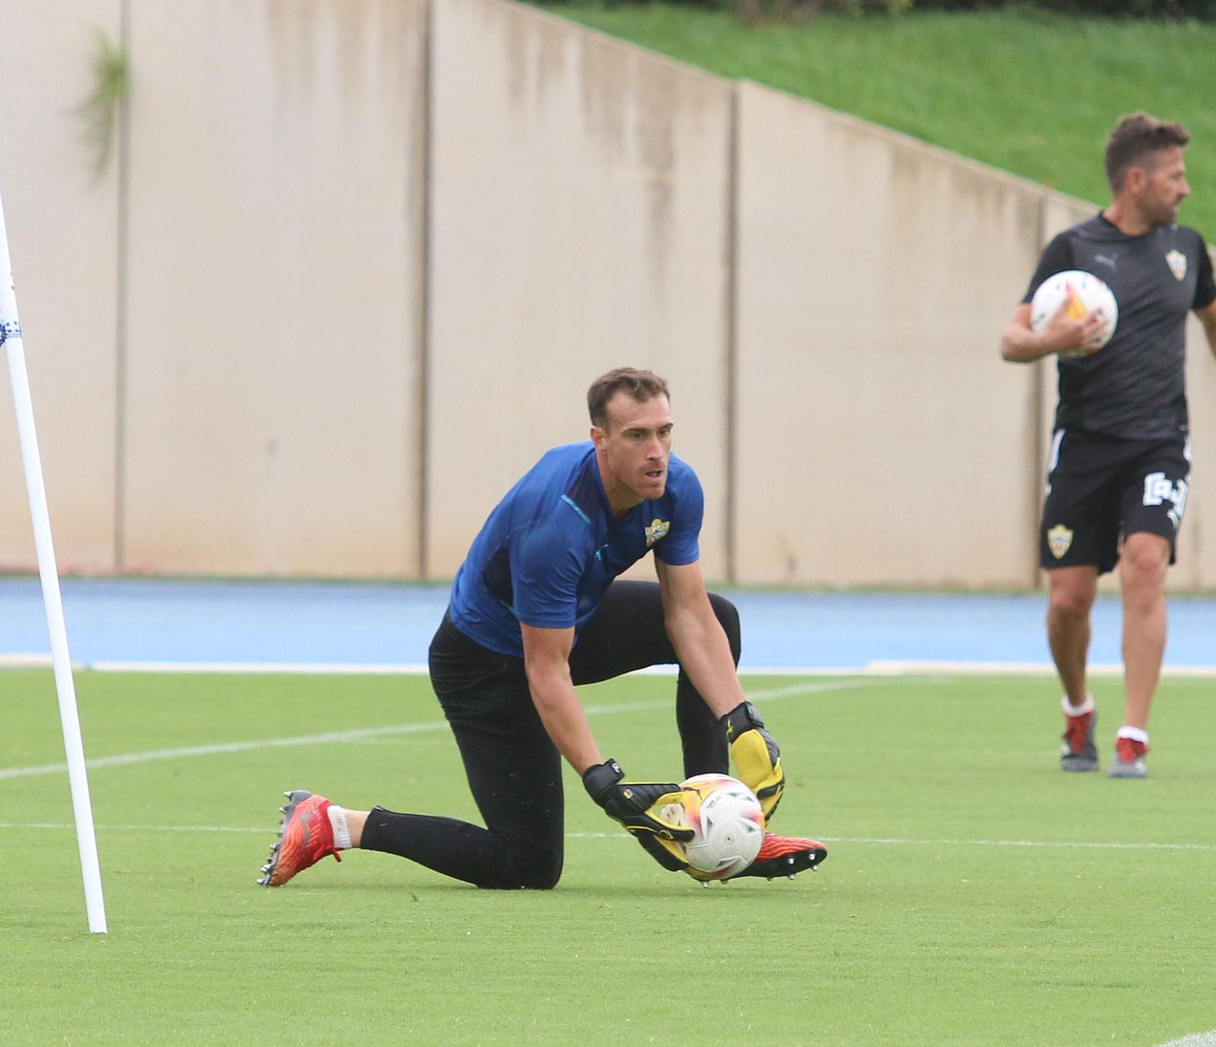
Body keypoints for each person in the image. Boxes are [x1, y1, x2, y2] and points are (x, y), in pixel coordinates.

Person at [258, 368, 828, 888]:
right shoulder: (555, 524)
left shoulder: (676, 487)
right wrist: (606, 783)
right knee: (526, 866)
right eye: (636, 436)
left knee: (721, 618)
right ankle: (335, 824)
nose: (656, 452)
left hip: (565, 629)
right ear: (599, 440)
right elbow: (545, 668)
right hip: (485, 665)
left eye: (664, 432)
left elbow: (689, 615)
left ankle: (718, 827)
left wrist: (740, 719)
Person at [1000, 113, 1216, 779]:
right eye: (1175, 176)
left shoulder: (1187, 250)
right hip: (1084, 445)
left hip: (1158, 443)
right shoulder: (1072, 252)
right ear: (1136, 178)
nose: (1186, 188)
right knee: (1069, 600)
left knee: (1146, 561)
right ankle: (1078, 709)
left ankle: (1132, 735)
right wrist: (1053, 341)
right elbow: (1011, 339)